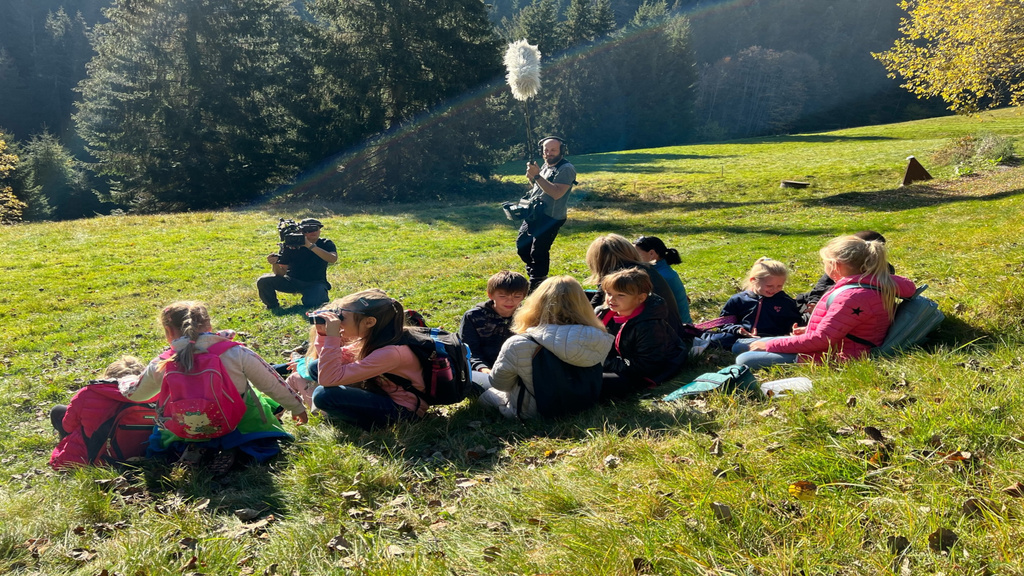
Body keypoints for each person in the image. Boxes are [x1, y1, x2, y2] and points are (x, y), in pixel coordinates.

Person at [121, 301, 307, 471]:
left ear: (169, 331)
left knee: (165, 425)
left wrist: (124, 381)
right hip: (238, 423)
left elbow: (137, 395)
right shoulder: (235, 352)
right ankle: (233, 446)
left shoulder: (161, 363)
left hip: (186, 427)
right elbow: (272, 383)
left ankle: (196, 446)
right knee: (255, 397)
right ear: (209, 325)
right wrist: (296, 407)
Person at [734, 235, 917, 370]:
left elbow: (822, 341)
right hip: (834, 343)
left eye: (825, 262)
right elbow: (844, 326)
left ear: (835, 265)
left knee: (745, 359)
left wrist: (769, 345)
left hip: (836, 355)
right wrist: (809, 328)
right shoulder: (868, 284)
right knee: (740, 345)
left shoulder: (854, 296)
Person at [286, 289, 428, 430]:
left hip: (402, 411)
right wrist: (324, 334)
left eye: (343, 316)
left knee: (323, 396)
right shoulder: (370, 339)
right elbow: (328, 364)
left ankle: (369, 424)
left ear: (369, 322)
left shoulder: (390, 353)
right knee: (315, 367)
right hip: (382, 393)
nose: (339, 321)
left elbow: (328, 378)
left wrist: (333, 337)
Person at [476, 276, 614, 419]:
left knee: (479, 385)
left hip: (534, 410)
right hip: (584, 405)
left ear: (536, 303)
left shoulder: (518, 343)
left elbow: (500, 384)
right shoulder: (600, 337)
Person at [595, 268, 689, 397]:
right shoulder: (603, 313)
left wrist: (601, 361)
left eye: (620, 295)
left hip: (639, 372)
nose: (611, 299)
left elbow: (645, 366)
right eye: (609, 293)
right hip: (611, 362)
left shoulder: (648, 325)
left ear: (641, 298)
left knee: (598, 382)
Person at [585, 234, 684, 337]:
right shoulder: (645, 269)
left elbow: (590, 312)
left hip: (653, 338)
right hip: (673, 332)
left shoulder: (618, 277)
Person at [703, 257, 803, 352]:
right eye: (769, 286)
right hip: (743, 337)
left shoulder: (785, 301)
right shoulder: (739, 299)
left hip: (772, 338)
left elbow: (794, 321)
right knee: (720, 339)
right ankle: (701, 338)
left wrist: (791, 332)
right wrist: (739, 330)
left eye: (779, 286)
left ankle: (747, 348)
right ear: (753, 280)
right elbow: (725, 322)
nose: (775, 289)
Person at [517, 137, 577, 292]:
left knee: (538, 252)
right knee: (522, 246)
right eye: (546, 150)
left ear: (562, 151)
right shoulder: (545, 165)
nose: (548, 154)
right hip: (534, 213)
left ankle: (537, 284)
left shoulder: (566, 169)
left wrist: (537, 176)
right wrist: (532, 177)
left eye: (553, 150)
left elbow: (556, 193)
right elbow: (539, 187)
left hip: (551, 217)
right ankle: (538, 278)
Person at [795, 230, 892, 321]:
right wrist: (814, 302)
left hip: (830, 310)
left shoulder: (880, 272)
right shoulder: (841, 267)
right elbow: (821, 286)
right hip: (818, 303)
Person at [257, 218, 338, 310]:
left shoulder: (325, 243)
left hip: (315, 283)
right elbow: (280, 273)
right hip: (292, 281)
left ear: (320, 229)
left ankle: (311, 296)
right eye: (308, 229)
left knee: (314, 304)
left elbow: (332, 259)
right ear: (301, 231)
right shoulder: (291, 245)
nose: (312, 232)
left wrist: (309, 245)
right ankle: (273, 306)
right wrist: (275, 263)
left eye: (315, 228)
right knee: (263, 281)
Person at [458, 270, 529, 375]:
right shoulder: (474, 317)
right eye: (503, 296)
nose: (510, 301)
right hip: (484, 369)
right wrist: (482, 368)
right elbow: (468, 350)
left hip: (519, 369)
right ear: (490, 295)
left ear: (524, 296)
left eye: (517, 296)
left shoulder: (528, 316)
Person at [634, 235, 692, 323]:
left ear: (652, 254)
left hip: (677, 330)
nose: (633, 257)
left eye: (636, 254)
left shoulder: (659, 277)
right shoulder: (666, 271)